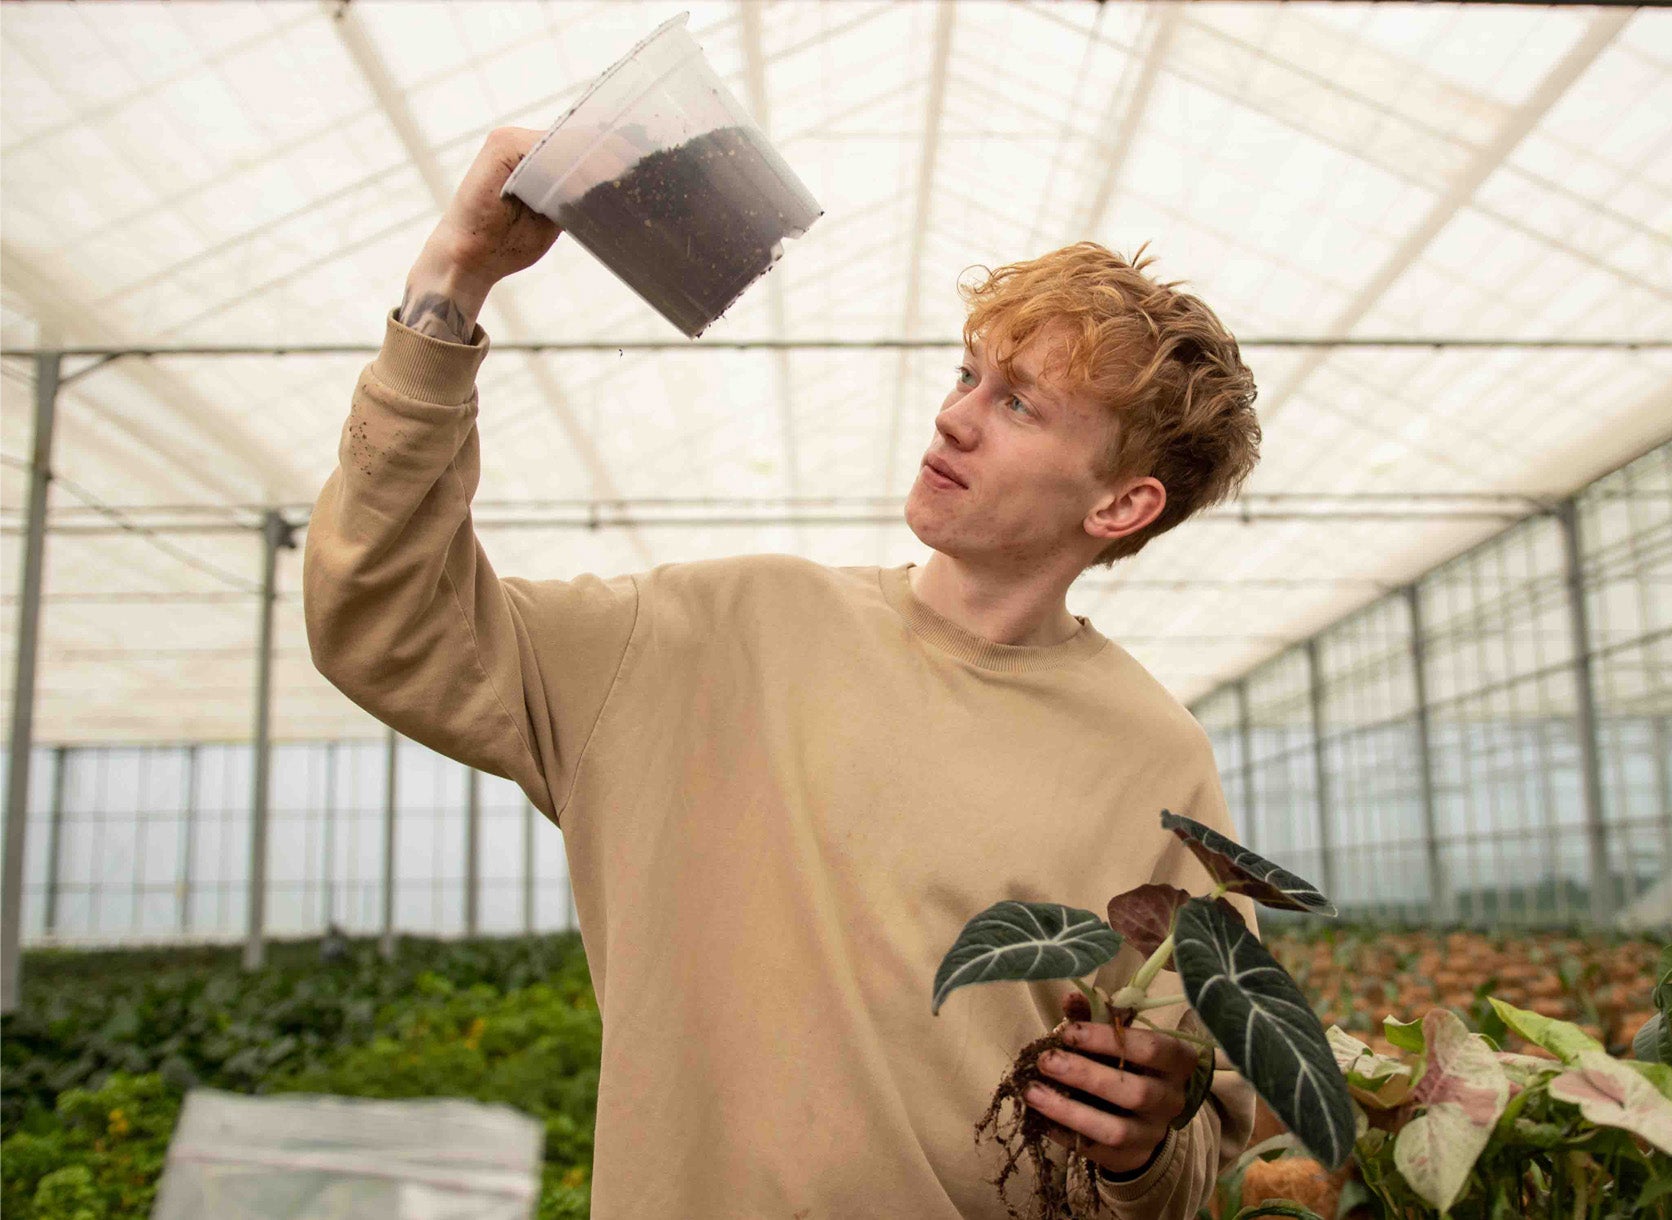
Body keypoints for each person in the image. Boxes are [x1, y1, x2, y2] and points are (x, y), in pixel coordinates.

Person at [304, 126, 1265, 1220]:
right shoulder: (715, 633)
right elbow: (385, 616)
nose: (952, 414)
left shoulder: (1153, 760)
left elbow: (1192, 1158)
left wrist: (1146, 1146)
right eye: (968, 373)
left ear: (1118, 504)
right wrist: (452, 279)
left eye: (1015, 403)